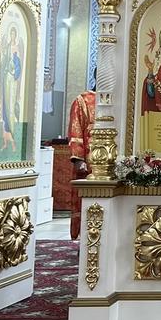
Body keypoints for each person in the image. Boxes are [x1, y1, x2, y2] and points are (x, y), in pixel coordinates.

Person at [68, 78, 96, 240]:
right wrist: (79, 159)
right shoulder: (83, 101)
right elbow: (75, 129)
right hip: (89, 162)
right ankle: (84, 240)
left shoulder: (121, 101)